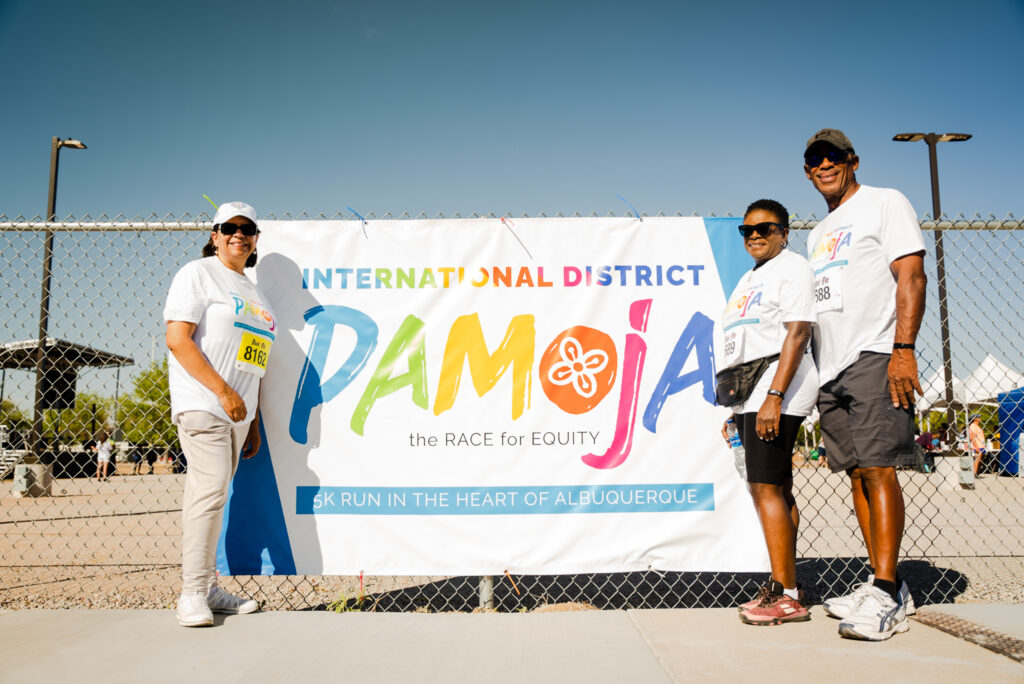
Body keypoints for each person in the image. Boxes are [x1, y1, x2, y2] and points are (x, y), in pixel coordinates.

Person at [803, 129, 926, 641]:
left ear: (852, 160)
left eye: (833, 156)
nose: (824, 165)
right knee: (855, 474)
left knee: (879, 471)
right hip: (831, 368)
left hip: (875, 354)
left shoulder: (885, 202)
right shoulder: (818, 232)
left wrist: (903, 349)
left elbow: (911, 275)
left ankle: (887, 589)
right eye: (814, 160)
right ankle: (881, 584)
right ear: (807, 171)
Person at [165, 201, 274, 627]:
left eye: (247, 228)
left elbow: (255, 361)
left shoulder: (256, 292)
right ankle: (191, 594)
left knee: (214, 496)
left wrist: (253, 421)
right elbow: (178, 339)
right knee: (208, 493)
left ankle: (208, 588)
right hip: (204, 403)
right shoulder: (198, 273)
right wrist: (224, 393)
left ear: (256, 238)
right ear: (214, 235)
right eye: (229, 227)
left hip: (238, 413)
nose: (238, 234)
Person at [718, 199, 818, 626]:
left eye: (765, 228)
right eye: (747, 230)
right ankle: (783, 583)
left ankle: (788, 596)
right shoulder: (749, 277)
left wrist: (774, 395)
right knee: (771, 486)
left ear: (784, 232)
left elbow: (798, 331)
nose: (755, 235)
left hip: (776, 386)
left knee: (767, 487)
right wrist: (736, 407)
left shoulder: (792, 268)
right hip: (750, 391)